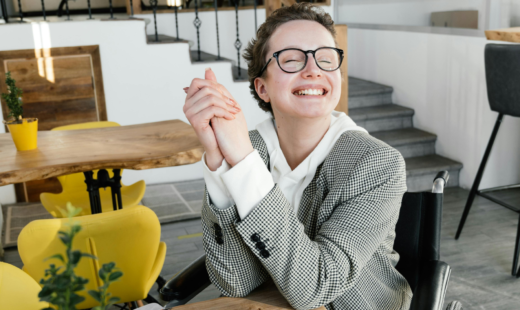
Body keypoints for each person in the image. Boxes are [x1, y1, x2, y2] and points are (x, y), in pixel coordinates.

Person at [182, 3, 412, 309]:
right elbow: (236, 282)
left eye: (327, 59)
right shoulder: (248, 150)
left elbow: (316, 288)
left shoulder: (376, 164)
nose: (314, 69)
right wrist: (218, 160)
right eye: (291, 60)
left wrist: (241, 161)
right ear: (262, 88)